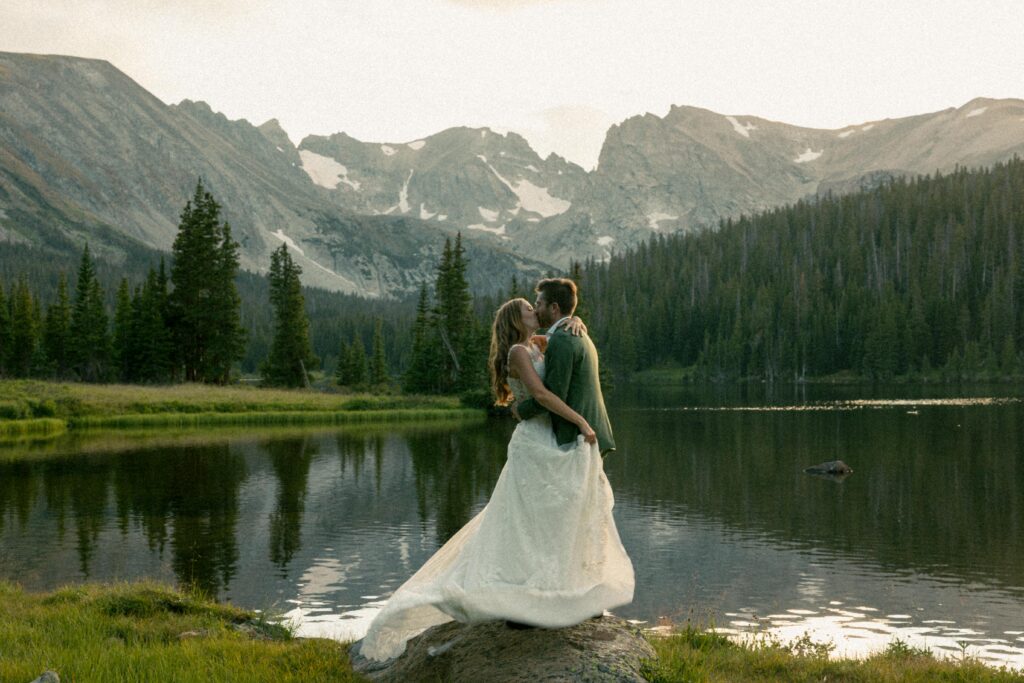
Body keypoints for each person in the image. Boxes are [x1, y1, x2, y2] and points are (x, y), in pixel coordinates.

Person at [357, 292, 633, 663]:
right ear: (516, 320)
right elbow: (539, 393)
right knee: (526, 523)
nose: (534, 311)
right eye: (526, 309)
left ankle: (562, 592)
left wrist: (575, 320)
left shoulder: (536, 342)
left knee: (554, 518)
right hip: (535, 443)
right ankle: (520, 601)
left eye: (535, 306)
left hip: (550, 439)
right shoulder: (518, 353)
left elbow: (565, 337)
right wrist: (581, 421)